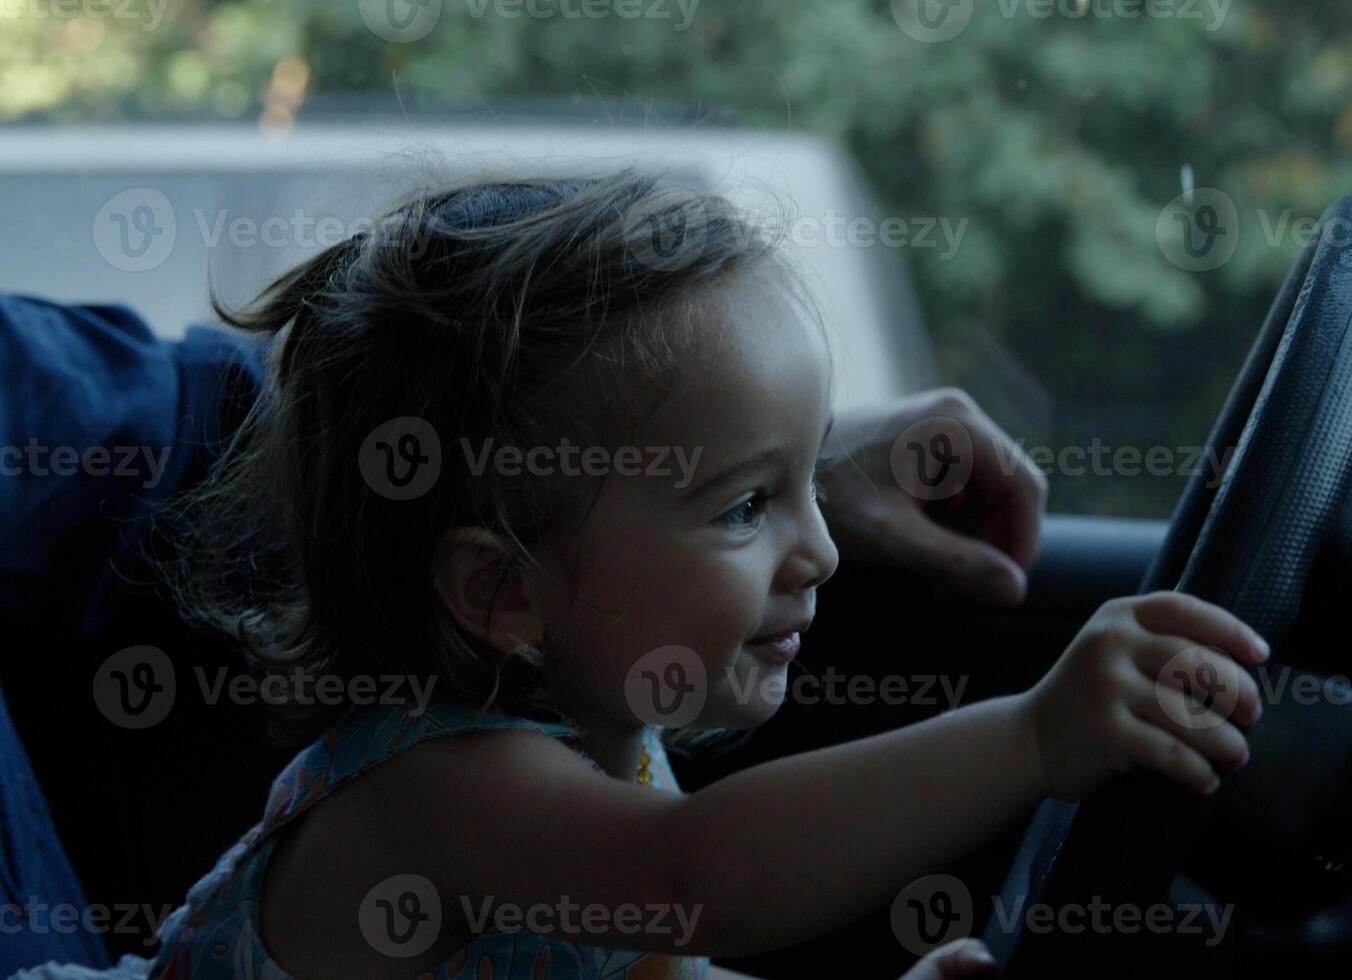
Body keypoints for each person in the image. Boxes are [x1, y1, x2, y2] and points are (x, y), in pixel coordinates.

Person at [11, 173, 1264, 979]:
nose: (820, 547)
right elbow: (697, 880)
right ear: (501, 593)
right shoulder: (434, 794)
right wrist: (1036, 733)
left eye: (804, 484)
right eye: (745, 504)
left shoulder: (596, 746)